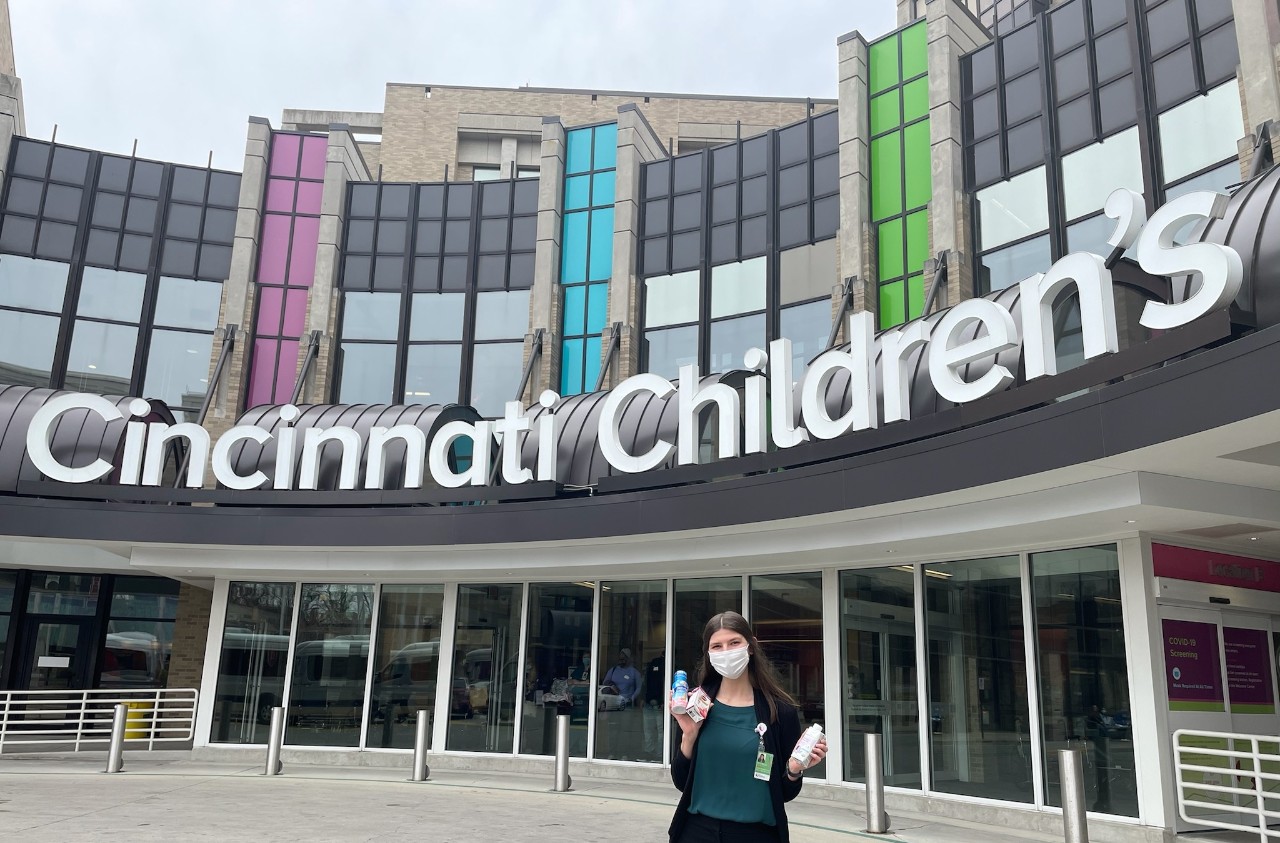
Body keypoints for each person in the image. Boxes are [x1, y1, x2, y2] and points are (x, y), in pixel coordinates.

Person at [669, 612, 827, 843]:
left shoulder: (780, 712)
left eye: (734, 643)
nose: (726, 652)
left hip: (757, 835)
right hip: (696, 832)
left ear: (750, 647)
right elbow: (682, 782)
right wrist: (689, 736)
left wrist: (794, 770)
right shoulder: (695, 705)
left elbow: (784, 793)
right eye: (717, 646)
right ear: (709, 654)